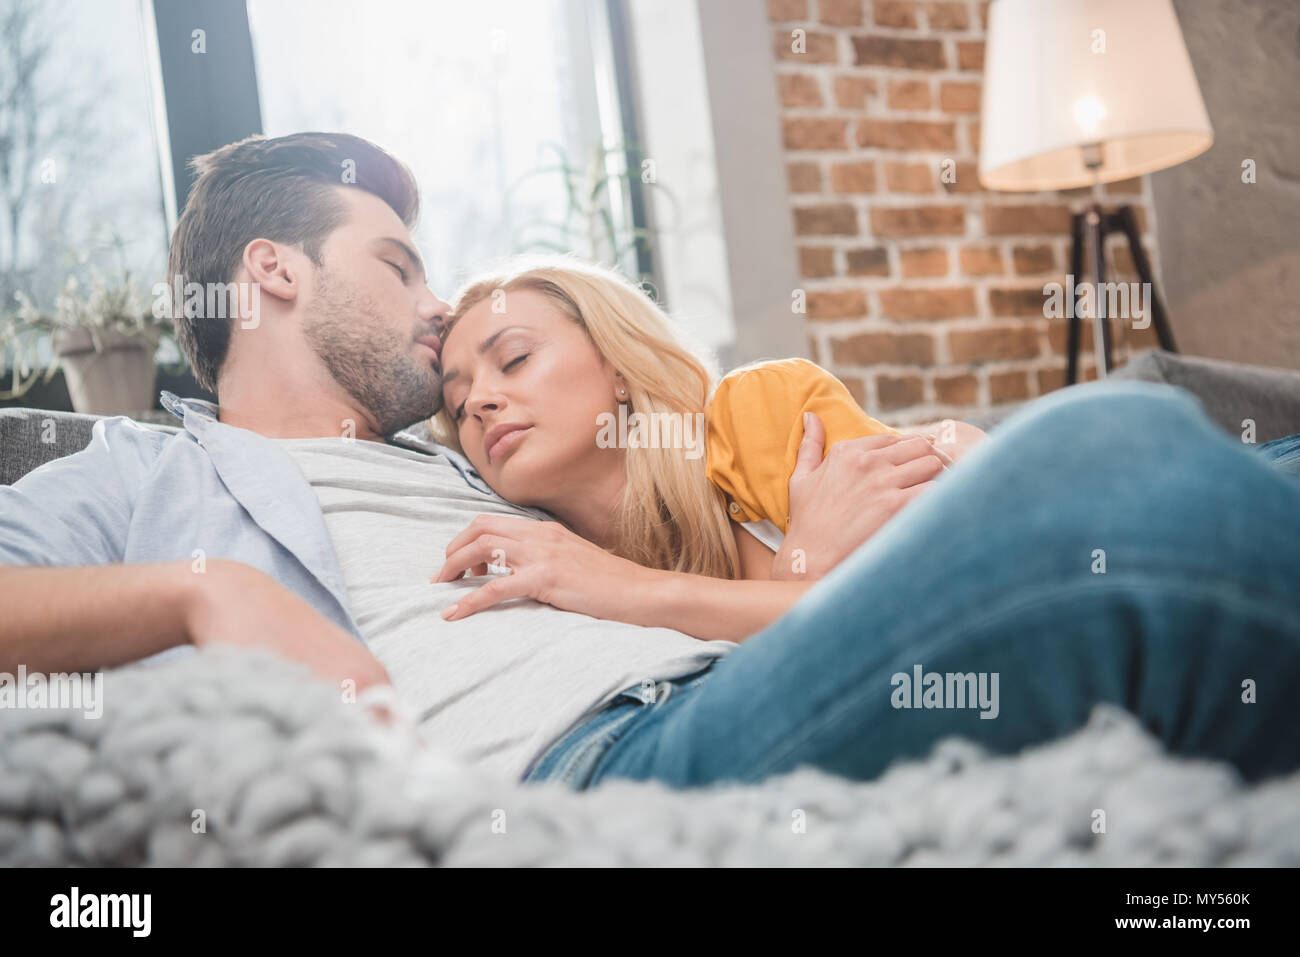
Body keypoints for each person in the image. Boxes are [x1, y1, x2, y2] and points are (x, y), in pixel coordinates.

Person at [1, 132, 1296, 793]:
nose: (434, 311)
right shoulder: (140, 474)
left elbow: (713, 494)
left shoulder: (482, 459)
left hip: (742, 682)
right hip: (596, 775)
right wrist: (204, 593)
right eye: (397, 264)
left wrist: (907, 496)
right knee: (1117, 459)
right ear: (272, 273)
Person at [430, 257, 989, 644]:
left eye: (515, 359)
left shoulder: (757, 409)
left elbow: (935, 597)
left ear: (619, 364)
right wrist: (801, 582)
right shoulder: (547, 578)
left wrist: (632, 590)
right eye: (457, 405)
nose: (479, 400)